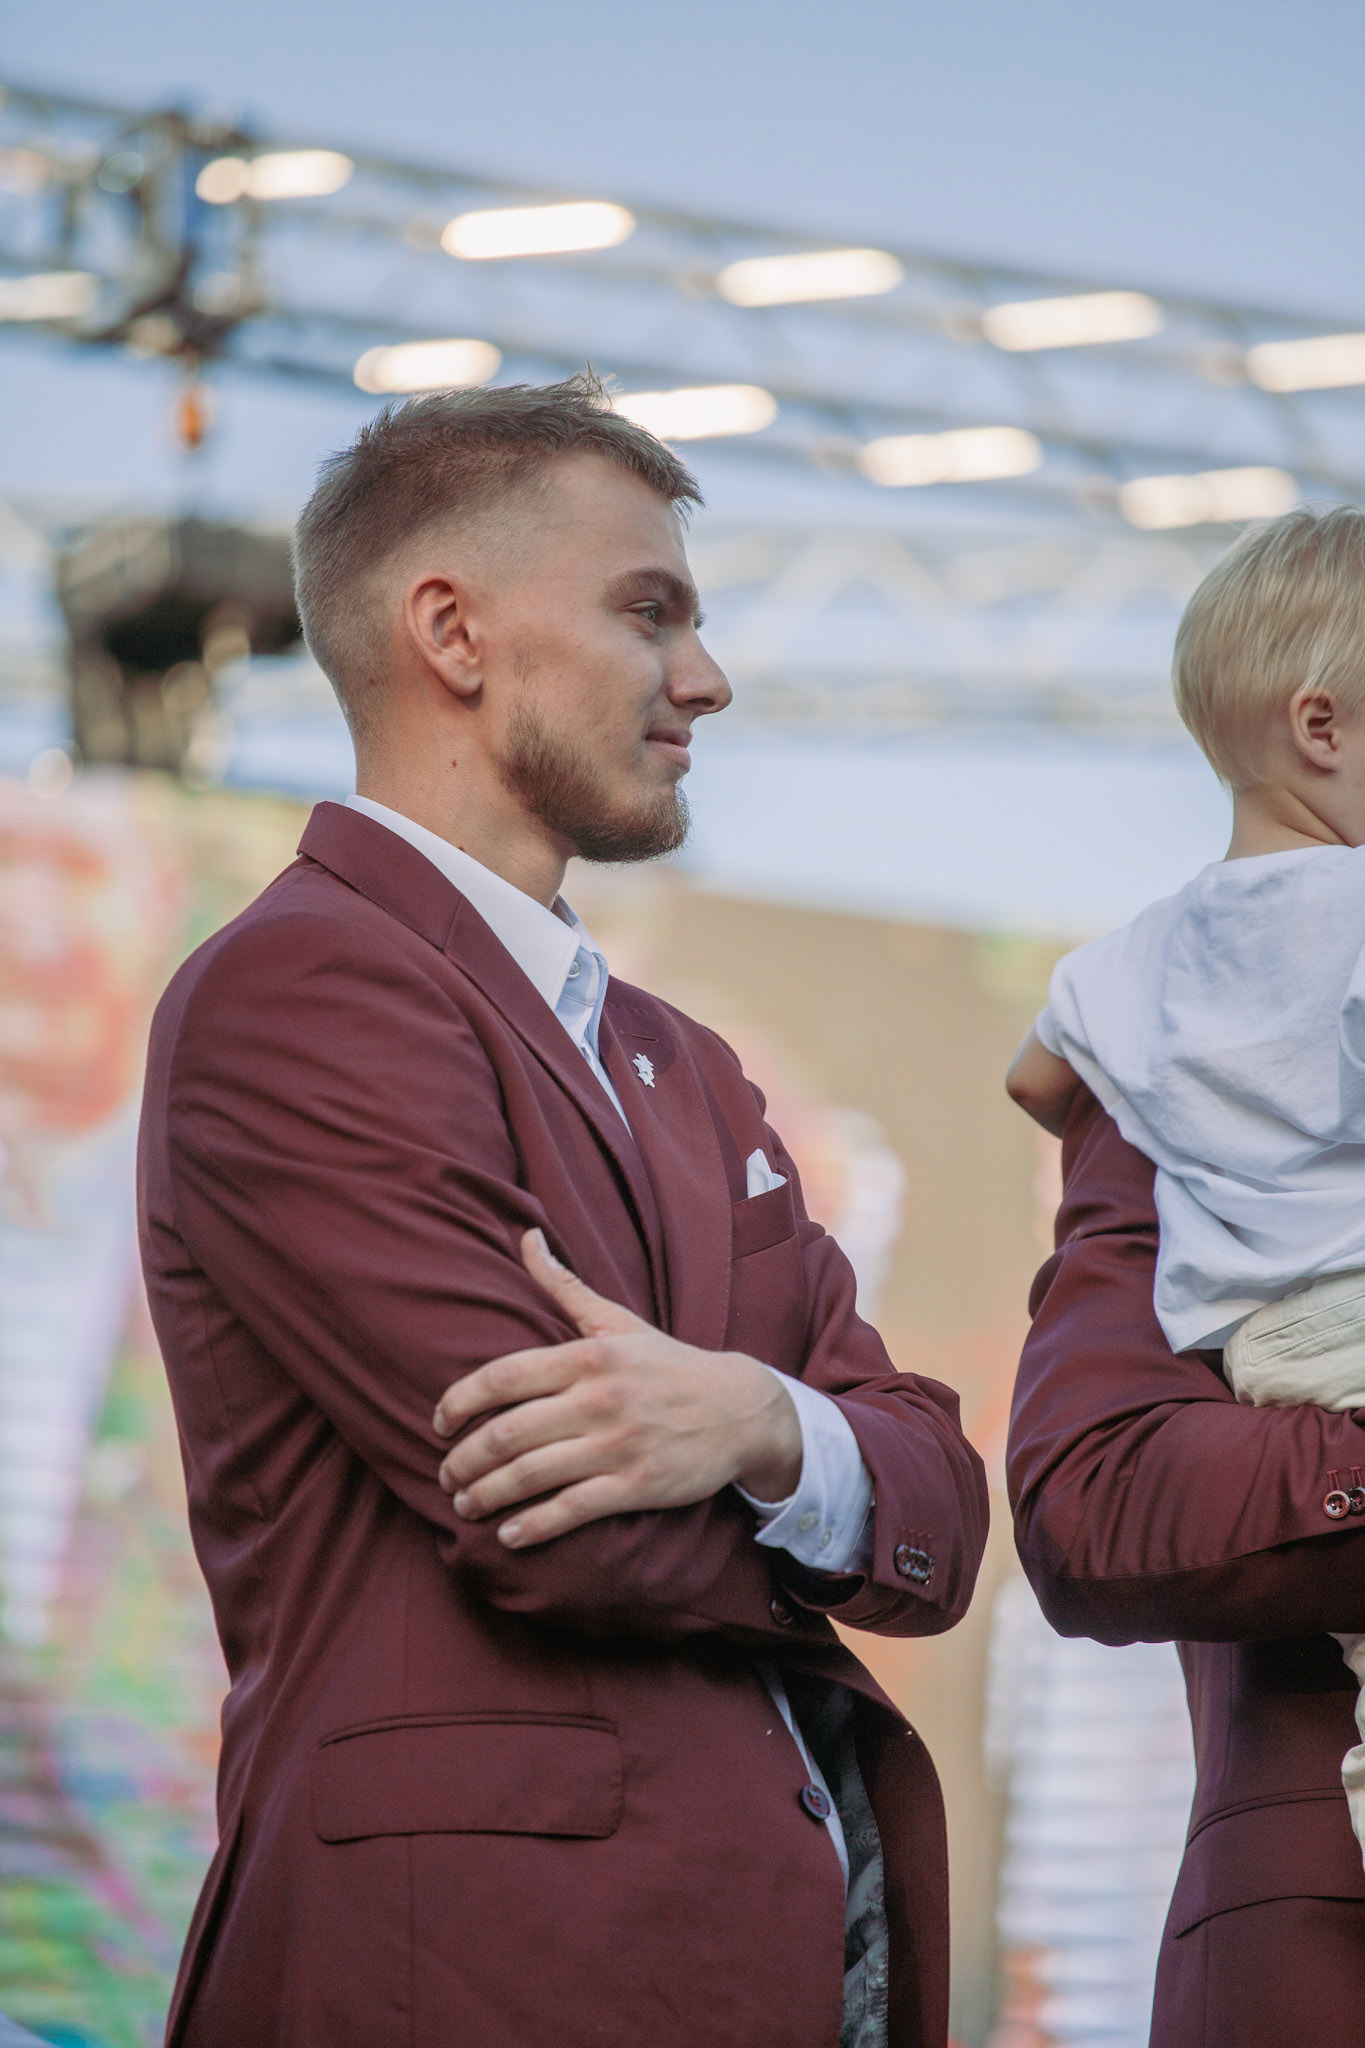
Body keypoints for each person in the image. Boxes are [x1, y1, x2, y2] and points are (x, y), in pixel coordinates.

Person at [138, 373, 989, 2048]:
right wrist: (822, 1473)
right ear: (451, 632)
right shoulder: (298, 986)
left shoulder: (688, 1063)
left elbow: (942, 1513)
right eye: (646, 611)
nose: (706, 677)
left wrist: (757, 1425)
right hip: (462, 1974)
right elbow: (566, 1519)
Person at [1006, 504, 1365, 2043]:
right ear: (1320, 727)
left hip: (1280, 1346)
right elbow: (1092, 1506)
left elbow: (1036, 1073)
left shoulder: (1133, 974)